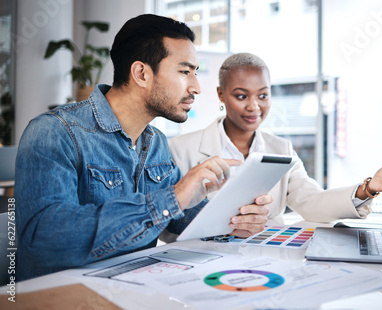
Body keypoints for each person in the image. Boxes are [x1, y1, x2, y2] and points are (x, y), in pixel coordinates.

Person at [14, 16, 270, 281]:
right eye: (185, 72)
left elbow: (178, 217)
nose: (196, 87)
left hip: (133, 288)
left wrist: (236, 218)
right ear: (141, 74)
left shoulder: (155, 141)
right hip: (62, 297)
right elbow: (44, 239)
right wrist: (175, 197)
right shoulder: (54, 132)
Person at [169, 53, 382, 224]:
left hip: (269, 261)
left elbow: (312, 201)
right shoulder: (181, 150)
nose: (254, 107)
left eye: (263, 96)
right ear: (221, 95)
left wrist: (368, 188)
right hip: (206, 266)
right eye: (241, 96)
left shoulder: (281, 148)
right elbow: (171, 224)